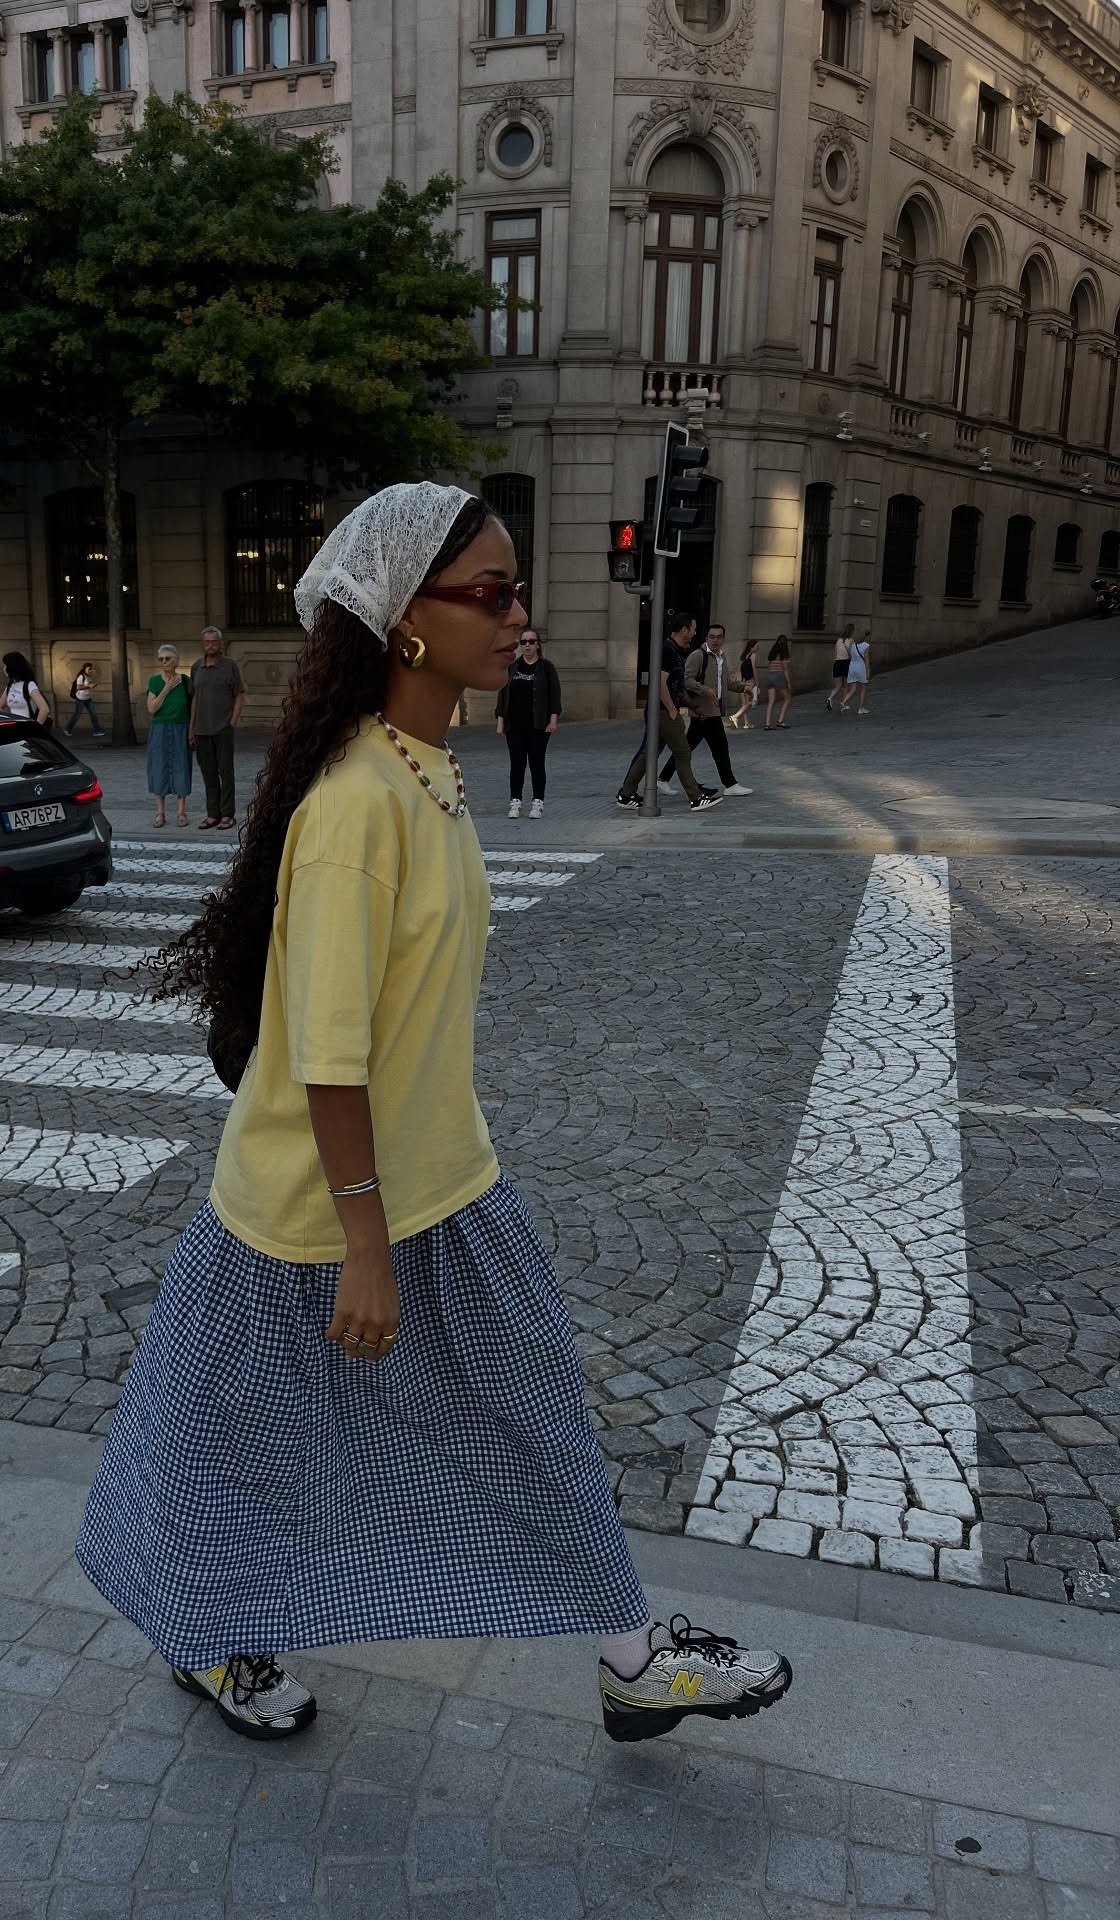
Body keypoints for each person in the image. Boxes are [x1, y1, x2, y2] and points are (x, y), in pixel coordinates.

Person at [74, 483, 791, 1743]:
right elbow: (331, 1059)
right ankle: (214, 1642)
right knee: (233, 1455)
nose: (521, 615)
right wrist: (363, 1243)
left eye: (517, 590)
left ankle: (631, 1660)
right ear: (403, 620)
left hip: (447, 1184)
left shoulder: (429, 774)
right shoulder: (358, 807)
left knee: (536, 1420)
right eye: (494, 593)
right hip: (309, 1215)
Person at [615, 611, 720, 813]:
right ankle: (696, 798)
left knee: (649, 754)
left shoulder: (676, 650)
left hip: (662, 711)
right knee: (682, 752)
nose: (695, 633)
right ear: (684, 630)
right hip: (662, 711)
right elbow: (660, 682)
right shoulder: (668, 650)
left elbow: (676, 686)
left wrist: (692, 706)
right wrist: (672, 709)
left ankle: (626, 795)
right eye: (693, 629)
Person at [659, 621, 754, 797]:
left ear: (723, 639)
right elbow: (686, 680)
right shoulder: (698, 655)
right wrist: (704, 690)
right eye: (712, 637)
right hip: (703, 710)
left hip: (711, 711)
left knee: (687, 748)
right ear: (706, 638)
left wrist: (743, 687)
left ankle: (663, 779)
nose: (715, 640)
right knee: (719, 748)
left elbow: (726, 683)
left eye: (719, 637)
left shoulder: (722, 657)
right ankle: (730, 784)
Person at [495, 627, 561, 819]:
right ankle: (515, 802)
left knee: (536, 763)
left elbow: (555, 696)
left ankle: (537, 803)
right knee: (517, 764)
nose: (527, 645)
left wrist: (553, 720)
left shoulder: (546, 667)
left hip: (538, 725)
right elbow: (502, 695)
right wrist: (500, 721)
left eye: (531, 641)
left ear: (538, 645)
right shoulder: (512, 667)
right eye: (523, 642)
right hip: (514, 725)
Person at [188, 626, 246, 829]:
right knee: (209, 774)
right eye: (207, 642)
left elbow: (239, 694)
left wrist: (233, 721)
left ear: (220, 644)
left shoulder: (230, 666)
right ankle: (213, 814)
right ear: (202, 644)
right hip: (201, 731)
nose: (210, 645)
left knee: (226, 773)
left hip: (223, 729)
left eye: (214, 641)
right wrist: (191, 728)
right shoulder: (196, 667)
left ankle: (228, 815)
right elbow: (194, 699)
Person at [146, 645, 192, 829]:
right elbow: (152, 709)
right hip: (160, 729)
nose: (164, 662)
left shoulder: (186, 681)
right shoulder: (155, 681)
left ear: (177, 660)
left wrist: (192, 729)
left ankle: (181, 812)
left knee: (181, 767)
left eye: (168, 658)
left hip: (181, 728)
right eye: (161, 659)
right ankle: (160, 813)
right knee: (159, 768)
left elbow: (191, 707)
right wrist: (166, 689)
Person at [0, 651, 51, 727]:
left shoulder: (29, 685)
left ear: (12, 666)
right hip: (14, 730)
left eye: (5, 665)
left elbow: (44, 709)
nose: (4, 668)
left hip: (27, 731)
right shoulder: (10, 686)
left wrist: (35, 729)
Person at [63, 662, 105, 737]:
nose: (90, 670)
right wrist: (89, 686)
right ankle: (67, 729)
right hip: (80, 699)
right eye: (89, 669)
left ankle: (97, 731)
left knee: (93, 715)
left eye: (91, 669)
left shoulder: (89, 676)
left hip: (88, 698)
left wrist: (93, 685)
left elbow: (89, 685)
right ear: (84, 669)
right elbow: (78, 687)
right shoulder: (81, 676)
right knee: (77, 715)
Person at [728, 638, 760, 730]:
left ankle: (747, 723)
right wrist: (757, 682)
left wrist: (736, 680)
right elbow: (754, 668)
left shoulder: (745, 655)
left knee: (744, 704)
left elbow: (739, 669)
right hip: (750, 682)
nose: (758, 648)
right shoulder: (753, 655)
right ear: (752, 647)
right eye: (757, 646)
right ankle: (735, 716)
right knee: (750, 702)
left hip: (742, 682)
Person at [762, 636, 793, 730]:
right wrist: (788, 682)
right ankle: (780, 721)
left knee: (771, 701)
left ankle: (767, 724)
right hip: (779, 676)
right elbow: (786, 670)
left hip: (770, 676)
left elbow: (769, 666)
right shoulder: (784, 654)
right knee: (788, 698)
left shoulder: (772, 653)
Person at [839, 630, 872, 713]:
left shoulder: (852, 645)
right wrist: (868, 671)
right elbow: (866, 660)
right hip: (861, 667)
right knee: (863, 688)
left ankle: (843, 702)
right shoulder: (866, 645)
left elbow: (851, 656)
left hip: (852, 667)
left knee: (853, 688)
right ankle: (861, 708)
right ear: (864, 636)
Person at [826, 624, 855, 712]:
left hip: (837, 663)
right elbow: (852, 654)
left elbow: (835, 653)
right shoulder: (851, 641)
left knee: (838, 686)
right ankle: (843, 704)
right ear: (851, 631)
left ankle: (830, 698)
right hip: (845, 663)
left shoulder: (838, 640)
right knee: (846, 685)